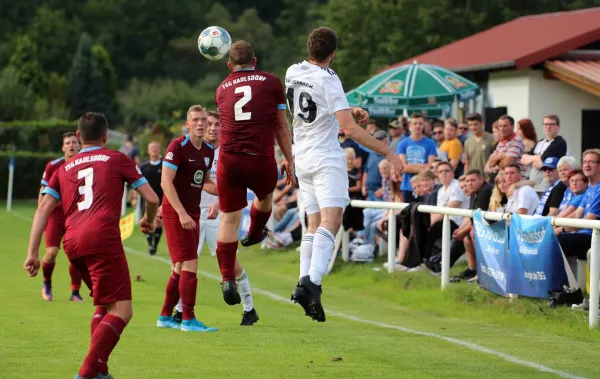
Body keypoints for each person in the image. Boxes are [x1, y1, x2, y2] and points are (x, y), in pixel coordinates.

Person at [24, 112, 159, 379]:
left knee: (105, 305)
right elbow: (152, 197)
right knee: (122, 310)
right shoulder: (116, 158)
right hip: (103, 239)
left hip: (72, 242)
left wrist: (32, 253)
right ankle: (86, 373)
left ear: (78, 136)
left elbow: (42, 210)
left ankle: (100, 371)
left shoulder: (64, 168)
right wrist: (148, 219)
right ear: (106, 136)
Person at [285, 27, 403, 322]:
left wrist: (348, 109)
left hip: (303, 155)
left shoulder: (292, 71)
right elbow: (348, 129)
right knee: (331, 219)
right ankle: (312, 283)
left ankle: (303, 280)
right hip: (326, 158)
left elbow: (314, 102)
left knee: (313, 221)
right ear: (333, 53)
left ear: (309, 48)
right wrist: (388, 152)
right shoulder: (330, 78)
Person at [214, 40, 295, 307]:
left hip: (229, 159)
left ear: (229, 66)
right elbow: (281, 125)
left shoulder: (221, 88)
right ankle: (256, 231)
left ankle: (227, 277)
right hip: (260, 158)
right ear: (255, 61)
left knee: (228, 219)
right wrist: (289, 158)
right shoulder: (272, 82)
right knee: (266, 195)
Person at [173, 111, 259, 326]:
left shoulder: (228, 153)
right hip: (191, 213)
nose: (211, 128)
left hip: (218, 216)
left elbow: (236, 185)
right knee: (182, 263)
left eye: (216, 124)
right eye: (208, 123)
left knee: (230, 263)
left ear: (223, 128)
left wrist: (220, 201)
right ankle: (178, 310)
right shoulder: (189, 149)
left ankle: (249, 309)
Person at [156, 105, 219, 332]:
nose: (202, 124)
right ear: (187, 123)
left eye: (205, 120)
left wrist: (224, 192)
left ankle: (165, 316)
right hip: (177, 211)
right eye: (196, 120)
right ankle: (189, 319)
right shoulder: (178, 146)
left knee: (180, 266)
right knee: (190, 261)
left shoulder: (209, 151)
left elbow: (204, 182)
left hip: (193, 211)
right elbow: (166, 182)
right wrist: (181, 213)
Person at [38, 132, 84, 302]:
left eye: (74, 142)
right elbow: (42, 193)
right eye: (67, 143)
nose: (71, 145)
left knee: (77, 255)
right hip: (55, 216)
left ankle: (75, 292)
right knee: (51, 253)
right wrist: (41, 217)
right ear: (62, 147)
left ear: (79, 145)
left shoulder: (86, 165)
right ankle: (47, 282)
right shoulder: (53, 166)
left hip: (76, 215)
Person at [396, 113, 437, 203]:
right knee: (407, 215)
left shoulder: (430, 143)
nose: (418, 126)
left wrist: (409, 166)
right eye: (415, 123)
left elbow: (430, 166)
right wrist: (423, 167)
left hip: (425, 186)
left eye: (420, 123)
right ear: (410, 125)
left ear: (423, 125)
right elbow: (403, 167)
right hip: (407, 186)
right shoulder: (402, 144)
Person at [139, 141, 164, 255]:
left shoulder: (164, 166)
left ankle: (155, 245)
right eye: (152, 147)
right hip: (146, 199)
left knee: (159, 222)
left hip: (161, 198)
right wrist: (135, 198)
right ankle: (150, 244)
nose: (154, 149)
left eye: (156, 147)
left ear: (160, 150)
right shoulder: (143, 167)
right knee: (148, 221)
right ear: (148, 151)